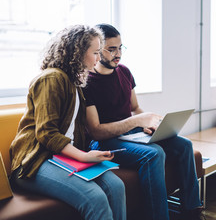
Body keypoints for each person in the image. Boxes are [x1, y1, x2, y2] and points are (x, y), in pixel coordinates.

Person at [82, 23, 204, 220]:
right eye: (111, 49)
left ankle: (192, 210)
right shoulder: (87, 83)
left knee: (184, 145)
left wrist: (150, 123)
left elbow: (135, 108)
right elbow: (96, 131)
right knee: (153, 154)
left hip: (130, 134)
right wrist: (136, 121)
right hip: (104, 141)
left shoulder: (125, 72)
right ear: (98, 50)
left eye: (120, 48)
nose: (118, 54)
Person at [9, 25, 126, 220]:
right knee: (95, 197)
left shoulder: (74, 82)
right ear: (78, 53)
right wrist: (84, 156)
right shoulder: (51, 79)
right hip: (34, 161)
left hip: (60, 157)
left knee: (116, 186)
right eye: (95, 52)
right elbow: (46, 133)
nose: (98, 58)